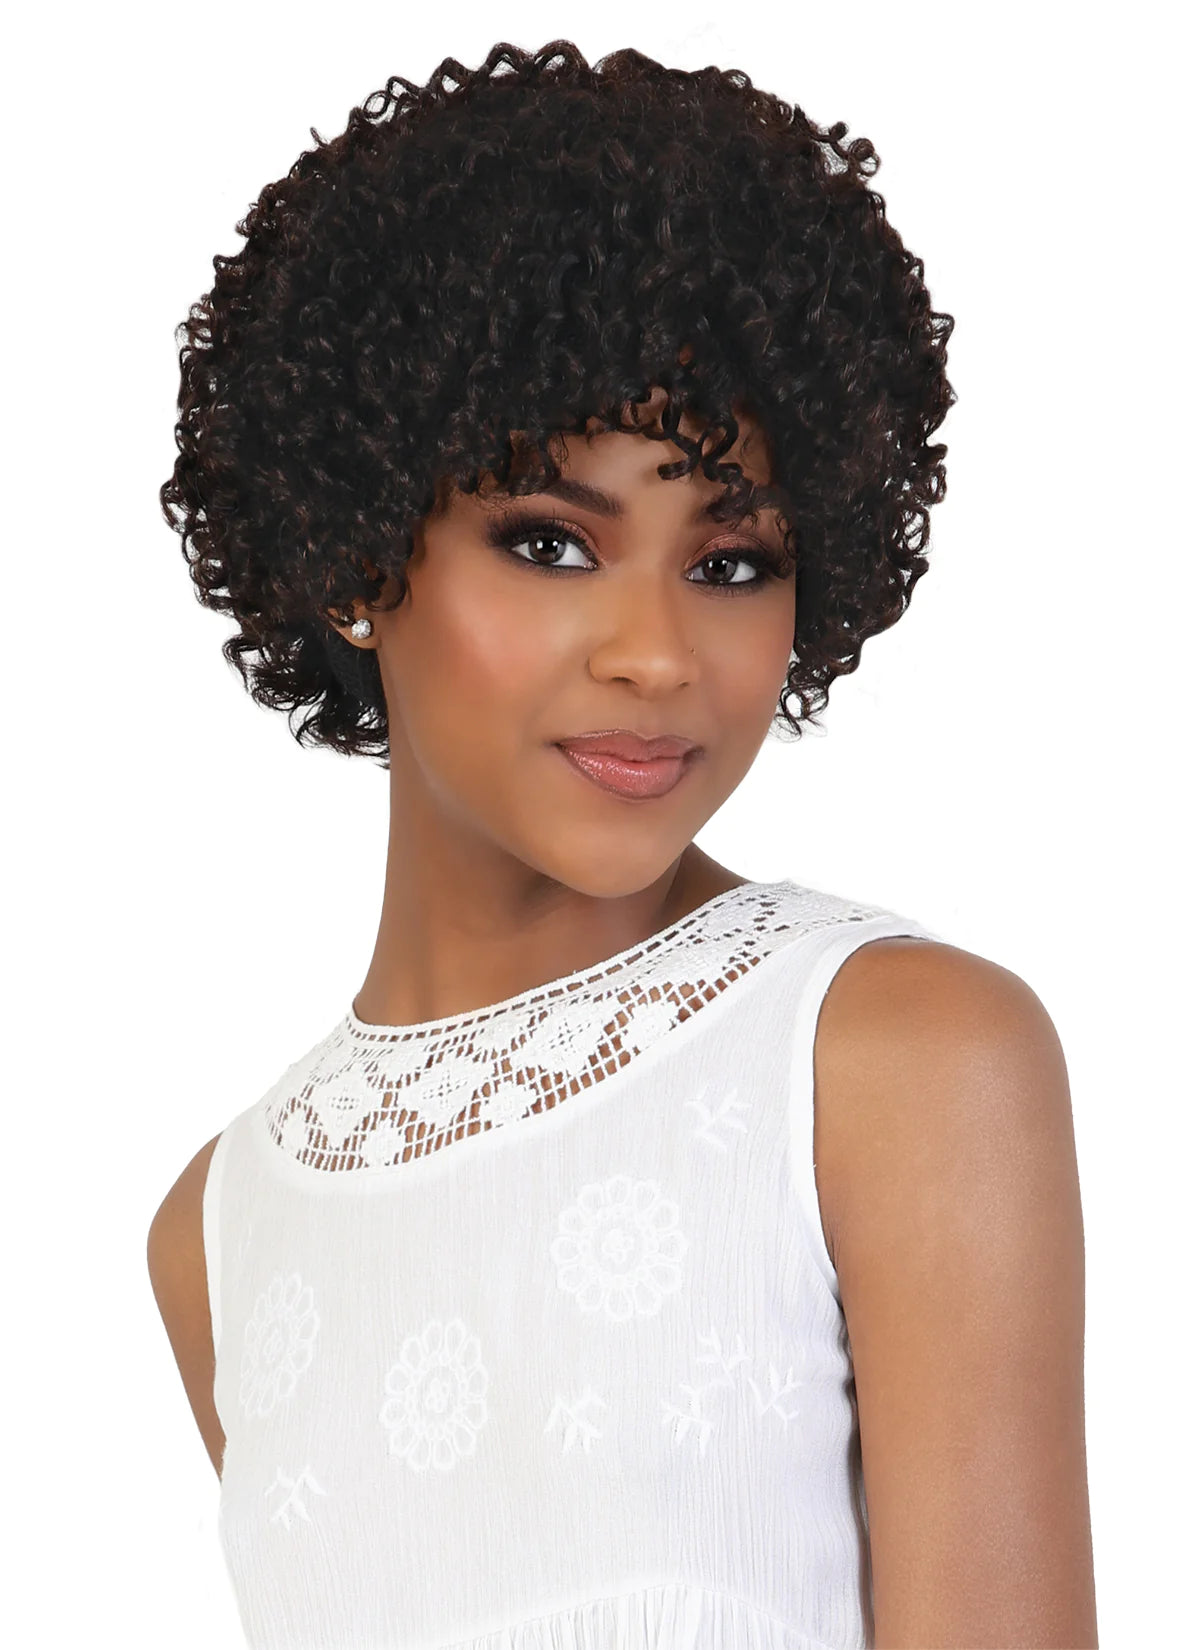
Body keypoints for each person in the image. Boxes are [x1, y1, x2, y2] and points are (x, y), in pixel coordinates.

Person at [146, 38, 1097, 1650]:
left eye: (731, 562)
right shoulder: (223, 1231)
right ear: (356, 553)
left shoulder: (890, 1064)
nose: (658, 655)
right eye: (550, 542)